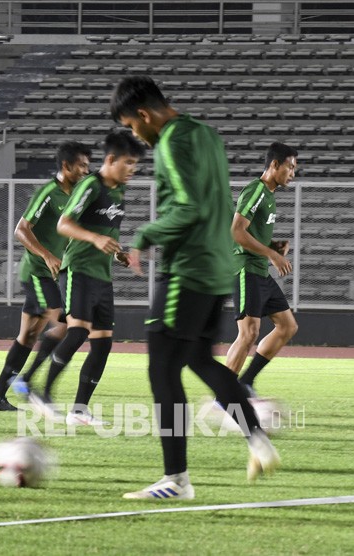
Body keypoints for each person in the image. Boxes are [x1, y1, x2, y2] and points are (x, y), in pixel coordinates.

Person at [110, 76, 279, 500]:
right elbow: (218, 203)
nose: (136, 136)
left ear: (144, 115)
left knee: (162, 369)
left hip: (185, 271)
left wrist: (144, 236)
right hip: (217, 268)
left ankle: (176, 479)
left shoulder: (169, 142)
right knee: (200, 360)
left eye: (132, 126)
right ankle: (258, 440)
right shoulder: (206, 133)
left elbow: (189, 207)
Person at [29, 131, 145, 426]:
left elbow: (107, 234)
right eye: (128, 163)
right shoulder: (91, 186)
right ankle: (42, 393)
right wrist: (94, 238)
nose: (132, 169)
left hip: (102, 276)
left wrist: (116, 253)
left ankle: (79, 409)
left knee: (103, 343)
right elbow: (63, 224)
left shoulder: (118, 193)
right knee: (77, 332)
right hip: (78, 270)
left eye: (135, 164)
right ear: (110, 160)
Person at [0, 142, 91, 412]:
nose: (86, 171)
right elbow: (21, 230)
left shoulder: (77, 195)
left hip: (52, 274)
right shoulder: (48, 192)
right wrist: (46, 255)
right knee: (64, 322)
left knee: (28, 337)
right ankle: (30, 382)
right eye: (82, 166)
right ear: (66, 167)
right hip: (37, 272)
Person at [225, 143, 299, 396]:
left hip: (259, 271)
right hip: (246, 268)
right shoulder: (256, 190)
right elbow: (236, 231)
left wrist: (272, 245)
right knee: (248, 333)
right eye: (290, 167)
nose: (292, 173)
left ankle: (245, 382)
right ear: (274, 165)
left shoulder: (269, 195)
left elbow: (250, 232)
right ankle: (223, 395)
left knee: (288, 326)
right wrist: (272, 254)